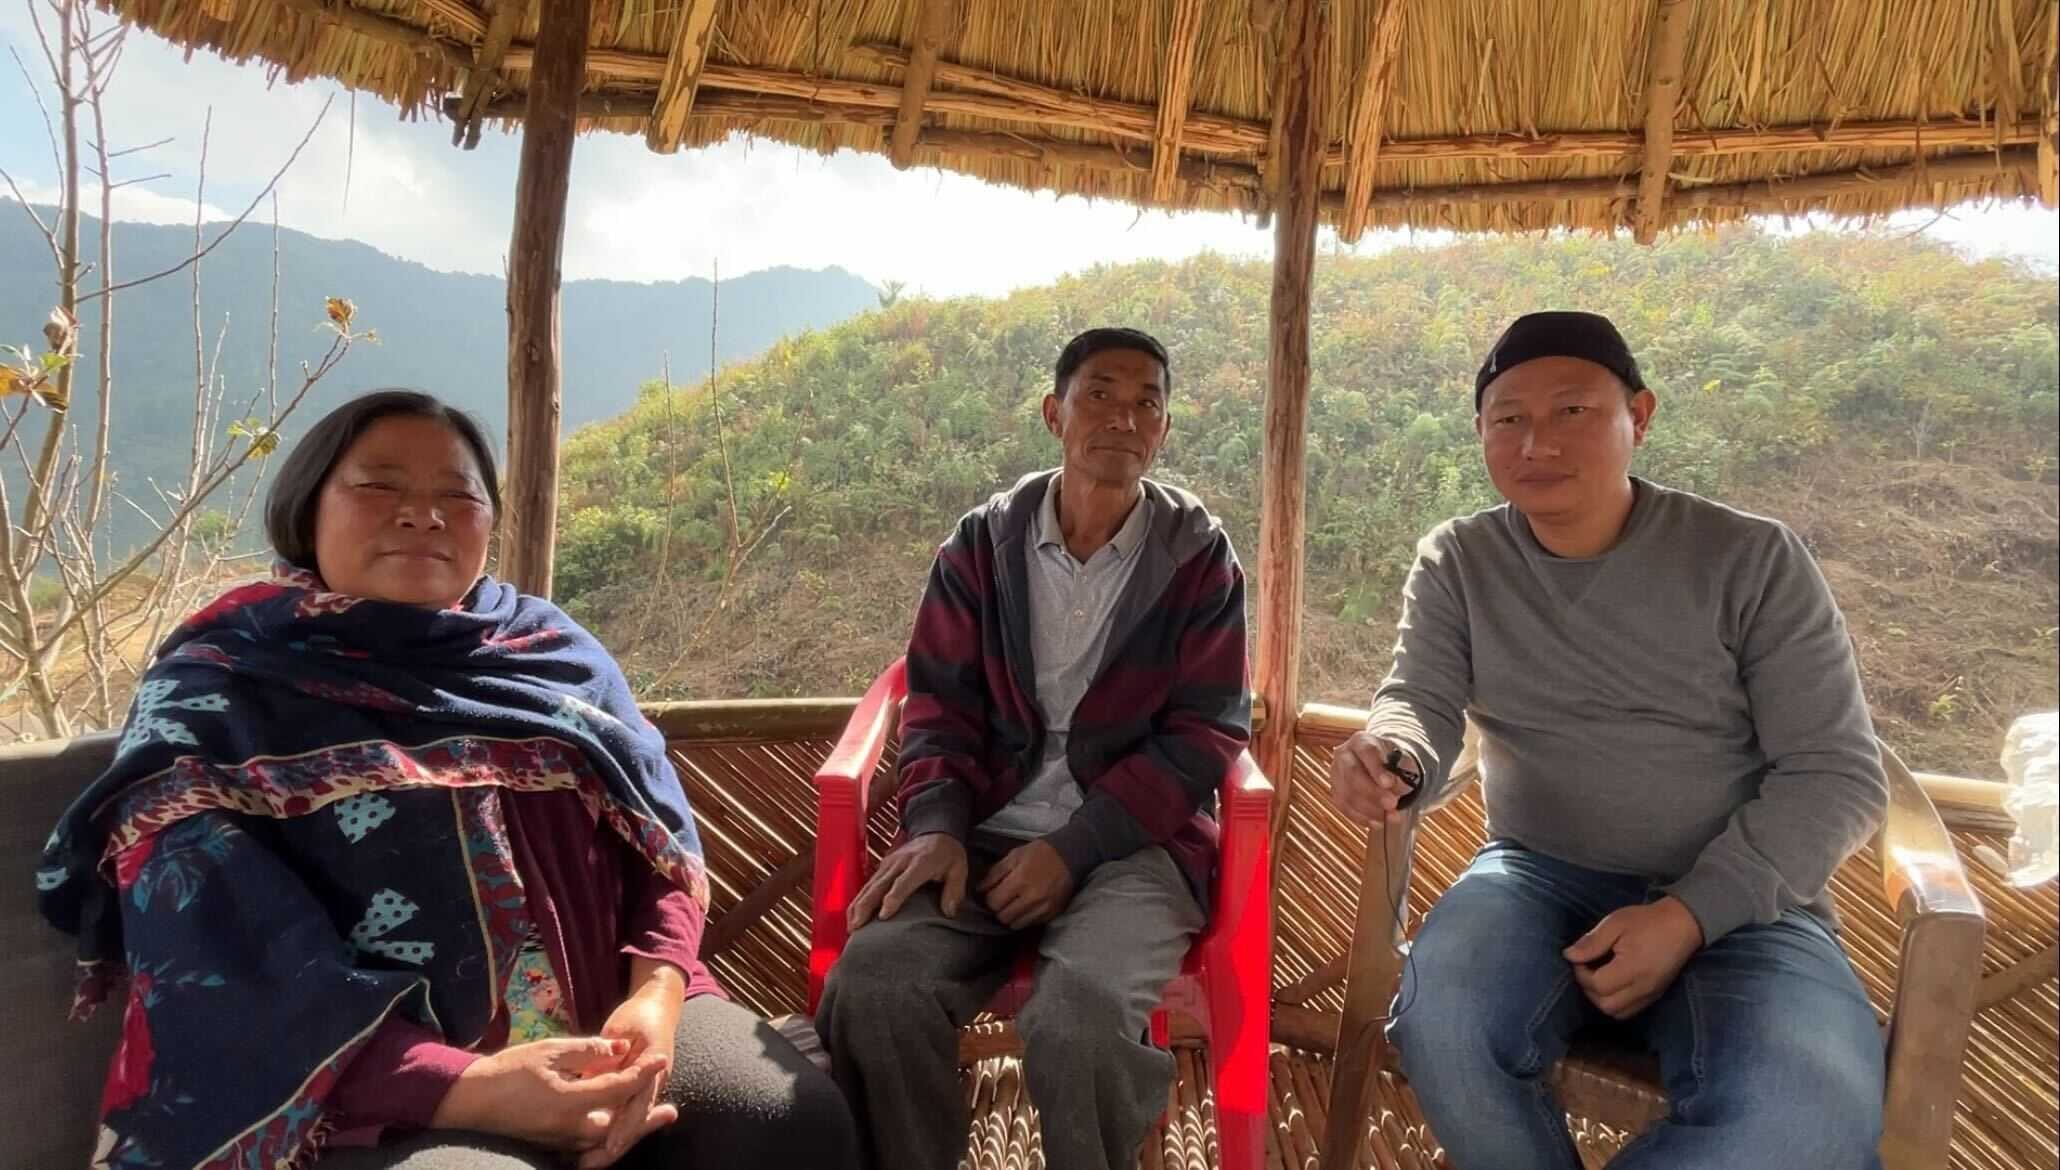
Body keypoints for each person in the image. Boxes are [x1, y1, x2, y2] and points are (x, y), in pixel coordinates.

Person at [36, 390, 859, 1170]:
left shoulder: (551, 655)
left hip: (610, 1009)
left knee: (785, 1119)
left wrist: (655, 1000)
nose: (422, 514)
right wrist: (462, 1087)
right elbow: (213, 943)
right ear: (306, 508)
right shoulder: (219, 688)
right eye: (378, 485)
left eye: (457, 497)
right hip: (356, 1065)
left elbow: (657, 842)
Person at [1328, 312, 1889, 1170]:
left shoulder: (1749, 559)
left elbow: (1837, 773)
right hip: (1535, 876)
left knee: (1803, 1119)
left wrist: (1690, 914)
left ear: (1641, 415)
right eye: (1508, 418)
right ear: (1480, 433)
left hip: (1746, 909)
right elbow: (1420, 701)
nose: (1536, 441)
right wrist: (1394, 755)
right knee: (1441, 1016)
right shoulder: (1461, 559)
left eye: (1573, 412)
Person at [813, 328, 1250, 1170]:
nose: (1123, 416)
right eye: (1100, 393)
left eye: (1147, 402)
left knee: (1079, 1014)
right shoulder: (981, 545)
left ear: (1163, 430)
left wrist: (1076, 849)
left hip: (1134, 846)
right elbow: (937, 700)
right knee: (873, 986)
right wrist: (936, 825)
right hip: (978, 834)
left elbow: (1207, 730)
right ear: (1056, 413)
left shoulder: (1198, 557)